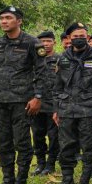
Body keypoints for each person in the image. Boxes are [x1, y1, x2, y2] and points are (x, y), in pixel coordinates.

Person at [0, 6, 47, 184]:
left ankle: (21, 181)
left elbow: (42, 72)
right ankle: (7, 179)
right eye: (2, 18)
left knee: (22, 141)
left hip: (22, 101)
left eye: (8, 18)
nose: (4, 21)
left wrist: (38, 97)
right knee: (2, 141)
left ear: (19, 21)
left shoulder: (32, 43)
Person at [51, 23, 92, 184]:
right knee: (66, 145)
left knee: (89, 145)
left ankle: (84, 181)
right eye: (75, 36)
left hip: (88, 109)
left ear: (87, 37)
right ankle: (67, 181)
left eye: (82, 36)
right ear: (69, 38)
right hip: (66, 109)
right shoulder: (63, 58)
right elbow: (57, 86)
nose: (79, 39)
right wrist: (56, 109)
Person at [31, 30, 59, 176]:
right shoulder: (32, 60)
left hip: (54, 104)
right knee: (37, 135)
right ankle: (40, 163)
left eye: (49, 41)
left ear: (54, 42)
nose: (46, 44)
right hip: (36, 104)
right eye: (42, 41)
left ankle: (51, 163)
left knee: (54, 136)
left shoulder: (60, 59)